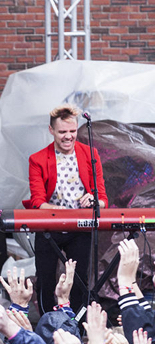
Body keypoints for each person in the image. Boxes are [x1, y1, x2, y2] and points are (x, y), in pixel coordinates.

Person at [24, 103, 107, 314]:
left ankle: (77, 324)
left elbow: (103, 199)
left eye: (72, 131)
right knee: (45, 278)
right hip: (49, 228)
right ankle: (47, 322)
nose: (68, 136)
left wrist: (93, 200)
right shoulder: (37, 159)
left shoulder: (91, 154)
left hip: (79, 228)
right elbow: (37, 202)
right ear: (51, 131)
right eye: (62, 132)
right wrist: (58, 210)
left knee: (79, 279)